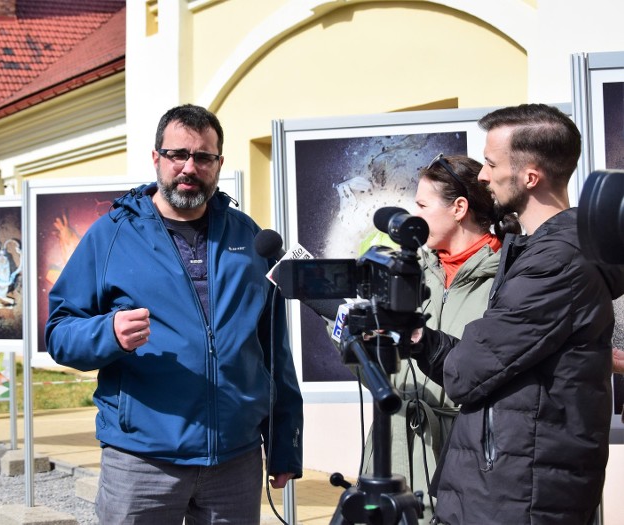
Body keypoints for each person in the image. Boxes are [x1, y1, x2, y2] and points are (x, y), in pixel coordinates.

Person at [45, 104, 303, 523]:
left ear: (219, 163)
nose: (189, 167)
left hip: (233, 461)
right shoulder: (111, 235)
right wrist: (106, 332)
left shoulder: (248, 237)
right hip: (143, 460)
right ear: (156, 159)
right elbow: (58, 334)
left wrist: (284, 442)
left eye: (203, 157)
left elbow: (275, 351)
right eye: (177, 155)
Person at [412, 103, 624, 524]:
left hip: (517, 494)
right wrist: (417, 337)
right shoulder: (541, 250)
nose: (483, 176)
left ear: (530, 176)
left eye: (491, 163)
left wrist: (424, 341)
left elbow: (469, 370)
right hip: (507, 483)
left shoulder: (557, 262)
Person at [363, 154, 521, 521]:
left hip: (465, 461)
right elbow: (378, 369)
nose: (413, 215)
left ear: (459, 208)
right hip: (396, 452)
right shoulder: (408, 270)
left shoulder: (512, 280)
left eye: (421, 205)